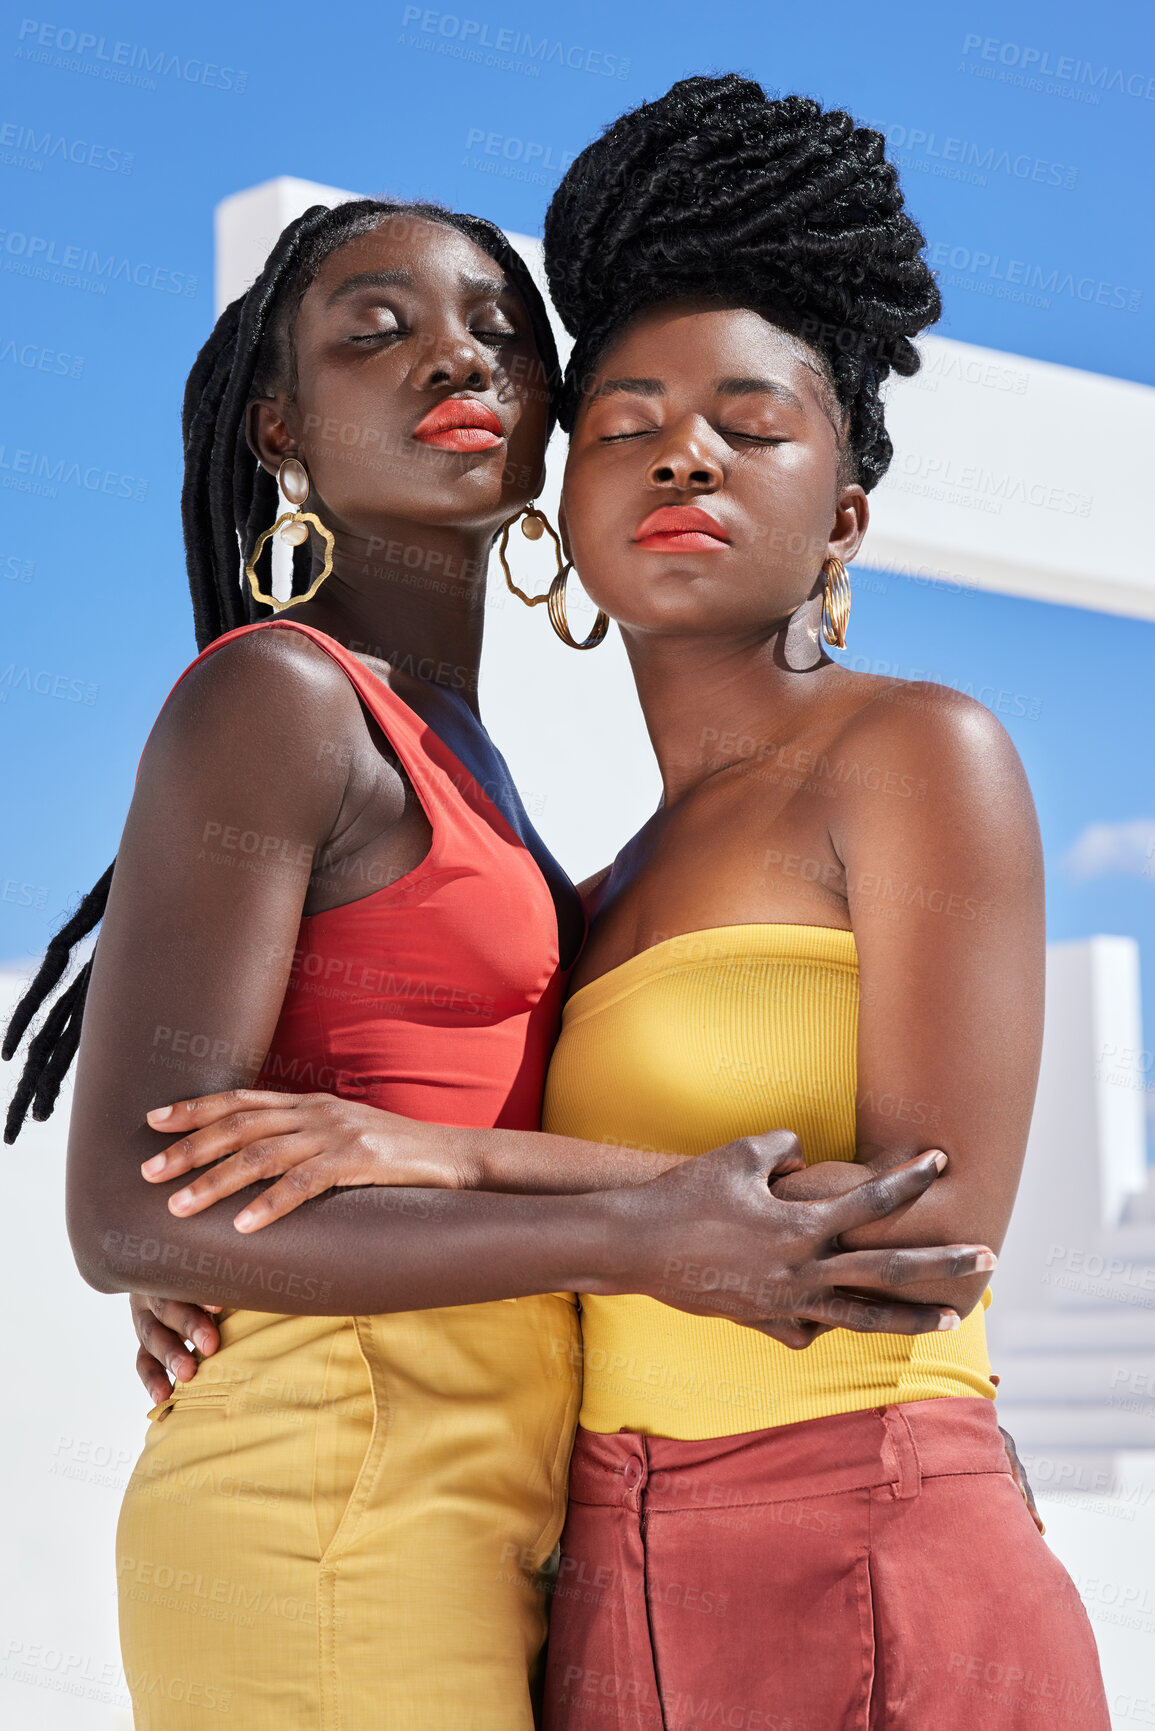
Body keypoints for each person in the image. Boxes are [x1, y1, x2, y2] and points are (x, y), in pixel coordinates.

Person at [129, 80, 1107, 1728]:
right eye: (627, 422)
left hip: (866, 1520)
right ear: (562, 510)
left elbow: (934, 1235)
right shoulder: (589, 895)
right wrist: (241, 1235)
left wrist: (453, 1155)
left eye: (752, 422)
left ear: (843, 516)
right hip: (603, 1569)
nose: (685, 454)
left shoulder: (916, 751)